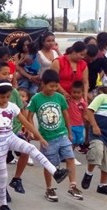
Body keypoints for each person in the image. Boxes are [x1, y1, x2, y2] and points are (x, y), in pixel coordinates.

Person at [0, 80, 70, 210]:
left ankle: (55, 172)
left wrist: (39, 137)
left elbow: (25, 122)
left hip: (10, 137)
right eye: (2, 97)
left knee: (31, 148)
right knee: (3, 175)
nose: (5, 100)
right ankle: (3, 205)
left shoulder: (12, 106)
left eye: (7, 97)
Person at [25, 70, 82, 202]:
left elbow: (66, 114)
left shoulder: (59, 97)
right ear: (43, 84)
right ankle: (49, 188)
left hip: (62, 134)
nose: (53, 89)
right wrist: (32, 132)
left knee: (70, 158)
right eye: (51, 86)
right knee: (49, 164)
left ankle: (72, 185)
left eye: (56, 86)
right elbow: (29, 116)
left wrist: (69, 131)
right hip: (47, 138)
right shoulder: (36, 98)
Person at [67, 81, 88, 164]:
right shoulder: (68, 101)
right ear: (71, 92)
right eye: (74, 92)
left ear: (82, 92)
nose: (76, 94)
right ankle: (70, 156)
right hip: (70, 124)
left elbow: (85, 114)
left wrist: (85, 122)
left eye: (78, 92)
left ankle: (69, 154)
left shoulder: (83, 103)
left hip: (80, 125)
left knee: (78, 141)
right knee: (72, 140)